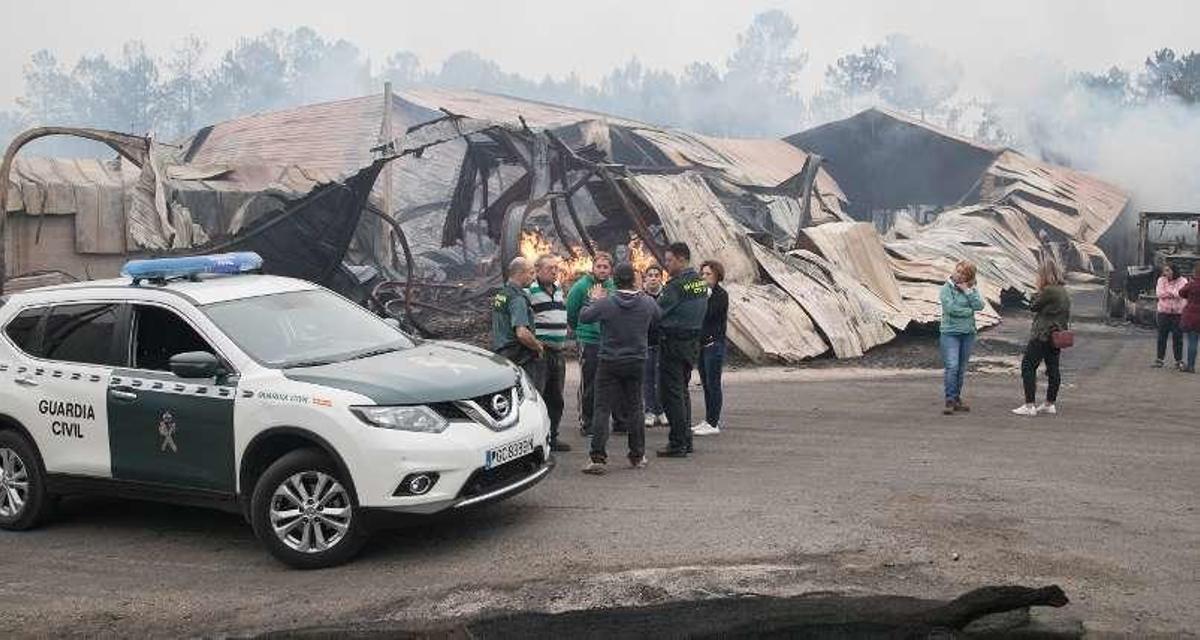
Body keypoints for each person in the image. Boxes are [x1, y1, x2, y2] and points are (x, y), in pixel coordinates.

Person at [578, 263, 661, 473]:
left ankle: (598, 458)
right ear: (634, 279)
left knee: (602, 408)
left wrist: (593, 299)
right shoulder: (647, 302)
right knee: (635, 408)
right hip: (636, 360)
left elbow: (584, 317)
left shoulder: (607, 302)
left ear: (614, 280)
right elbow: (658, 321)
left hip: (609, 360)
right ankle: (637, 455)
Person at [655, 242, 709, 458]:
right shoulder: (699, 282)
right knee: (682, 392)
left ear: (680, 259)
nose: (666, 264)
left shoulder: (676, 286)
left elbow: (658, 312)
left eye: (668, 260)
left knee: (671, 394)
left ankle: (677, 443)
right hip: (691, 344)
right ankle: (686, 439)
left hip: (673, 344)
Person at [1013, 259, 1071, 417]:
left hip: (1043, 334)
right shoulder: (1063, 290)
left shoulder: (1049, 291)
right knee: (1053, 369)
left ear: (1044, 274)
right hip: (1056, 336)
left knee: (1028, 366)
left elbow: (1033, 306)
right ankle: (1049, 403)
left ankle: (1029, 405)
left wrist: (1035, 292)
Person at [566, 253, 615, 437]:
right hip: (588, 341)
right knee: (589, 382)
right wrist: (581, 330)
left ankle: (604, 421)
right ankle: (586, 422)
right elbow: (571, 311)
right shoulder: (581, 287)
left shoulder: (612, 286)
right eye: (599, 266)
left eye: (606, 267)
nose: (602, 270)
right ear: (593, 268)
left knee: (607, 382)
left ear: (611, 269)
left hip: (608, 341)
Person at [527, 255, 571, 452]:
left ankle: (553, 436)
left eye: (556, 268)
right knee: (539, 396)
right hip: (541, 354)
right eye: (550, 268)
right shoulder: (529, 291)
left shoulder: (559, 289)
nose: (554, 271)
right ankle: (536, 439)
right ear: (537, 270)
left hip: (558, 353)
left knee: (556, 398)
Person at [938, 261, 985, 415]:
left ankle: (957, 398)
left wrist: (967, 292)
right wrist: (968, 311)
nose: (958, 274)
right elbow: (950, 308)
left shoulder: (971, 288)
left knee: (961, 368)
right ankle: (949, 399)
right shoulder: (946, 288)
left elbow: (979, 306)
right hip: (950, 332)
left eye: (963, 273)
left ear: (968, 277)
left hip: (967, 333)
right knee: (952, 366)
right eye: (957, 271)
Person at [693, 260, 728, 436]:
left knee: (713, 384)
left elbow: (710, 314)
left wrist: (704, 298)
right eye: (703, 274)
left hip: (714, 345)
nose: (705, 277)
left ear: (716, 276)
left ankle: (713, 422)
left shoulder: (721, 295)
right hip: (702, 344)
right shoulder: (700, 293)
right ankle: (708, 419)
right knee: (706, 384)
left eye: (708, 274)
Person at [492, 257, 542, 377]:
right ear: (520, 273)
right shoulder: (517, 298)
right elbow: (522, 333)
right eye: (531, 273)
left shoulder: (502, 293)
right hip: (519, 358)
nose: (534, 277)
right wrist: (538, 346)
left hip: (502, 354)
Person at [641, 265, 667, 427]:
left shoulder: (666, 296)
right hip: (645, 343)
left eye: (656, 275)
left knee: (661, 379)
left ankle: (661, 410)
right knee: (647, 379)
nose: (653, 278)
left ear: (661, 278)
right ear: (645, 278)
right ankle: (649, 411)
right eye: (650, 275)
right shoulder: (641, 297)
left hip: (662, 343)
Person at [1153, 263, 1188, 370]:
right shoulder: (1161, 280)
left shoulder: (1183, 281)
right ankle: (1159, 359)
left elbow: (1181, 293)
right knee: (1161, 336)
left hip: (1177, 313)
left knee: (1178, 337)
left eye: (1168, 270)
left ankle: (1178, 360)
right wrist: (1173, 294)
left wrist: (1169, 293)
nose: (1165, 273)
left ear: (1174, 271)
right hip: (1164, 312)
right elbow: (1159, 293)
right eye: (1165, 271)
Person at [1180, 263, 1200, 374]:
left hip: (1193, 316)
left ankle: (1191, 366)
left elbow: (1181, 292)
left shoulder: (1192, 284)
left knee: (1193, 341)